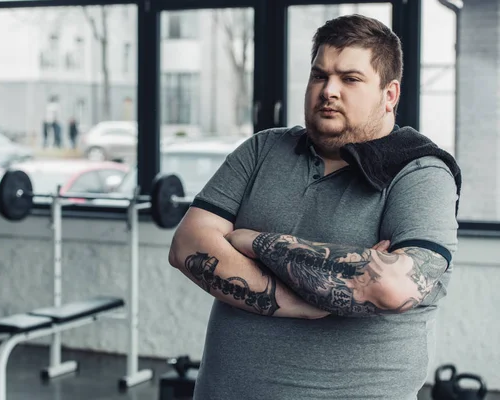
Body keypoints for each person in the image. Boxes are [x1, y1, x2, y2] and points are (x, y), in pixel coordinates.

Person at [168, 14, 461, 400]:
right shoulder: (262, 149)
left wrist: (255, 243)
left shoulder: (420, 172)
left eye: (350, 79)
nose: (329, 91)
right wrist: (289, 300)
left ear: (390, 95)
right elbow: (188, 244)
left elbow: (391, 287)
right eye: (319, 75)